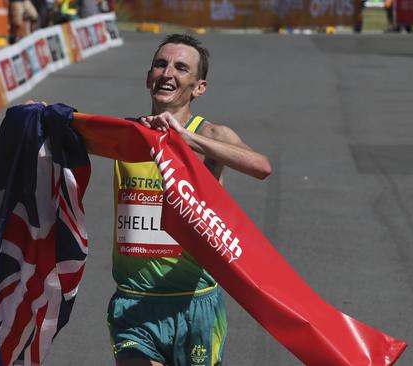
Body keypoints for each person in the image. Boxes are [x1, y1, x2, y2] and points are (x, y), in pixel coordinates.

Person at [108, 34, 271, 366]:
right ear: (148, 77)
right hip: (134, 303)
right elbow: (71, 132)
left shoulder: (209, 135)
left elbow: (261, 167)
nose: (168, 73)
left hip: (194, 303)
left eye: (181, 68)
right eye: (160, 64)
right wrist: (41, 116)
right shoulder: (126, 133)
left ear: (199, 87)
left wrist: (186, 139)